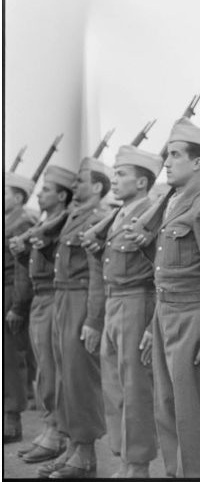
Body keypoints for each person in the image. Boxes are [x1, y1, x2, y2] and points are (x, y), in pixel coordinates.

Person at [124, 117, 200, 478]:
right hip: (166, 316)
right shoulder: (173, 205)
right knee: (167, 405)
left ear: (198, 163)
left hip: (193, 319)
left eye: (176, 154)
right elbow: (167, 269)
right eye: (168, 154)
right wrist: (152, 325)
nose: (167, 161)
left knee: (192, 412)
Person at [81, 145, 163, 478]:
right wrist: (94, 320)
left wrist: (151, 325)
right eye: (115, 174)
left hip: (136, 304)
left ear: (142, 182)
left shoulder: (154, 214)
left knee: (136, 391)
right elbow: (105, 270)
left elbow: (161, 274)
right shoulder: (118, 215)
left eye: (122, 174)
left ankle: (139, 465)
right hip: (115, 303)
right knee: (114, 389)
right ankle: (125, 460)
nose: (114, 181)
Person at [36, 157, 112, 479]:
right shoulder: (73, 217)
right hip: (62, 296)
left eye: (81, 181)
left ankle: (84, 453)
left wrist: (94, 318)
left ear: (96, 186)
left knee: (81, 380)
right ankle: (70, 447)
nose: (75, 186)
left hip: (82, 298)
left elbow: (99, 273)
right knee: (64, 375)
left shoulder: (100, 218)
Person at [9, 166, 76, 463]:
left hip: (53, 296)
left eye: (47, 189)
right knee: (46, 370)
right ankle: (51, 427)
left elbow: (60, 263)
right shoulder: (48, 222)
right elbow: (32, 264)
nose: (40, 193)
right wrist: (22, 251)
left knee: (52, 369)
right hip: (41, 296)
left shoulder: (59, 224)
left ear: (62, 195)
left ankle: (57, 432)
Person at [4, 172, 37, 443]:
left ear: (18, 198)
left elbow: (23, 269)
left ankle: (12, 420)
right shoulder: (9, 219)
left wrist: (17, 305)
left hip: (11, 292)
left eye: (5, 193)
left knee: (12, 359)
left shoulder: (22, 222)